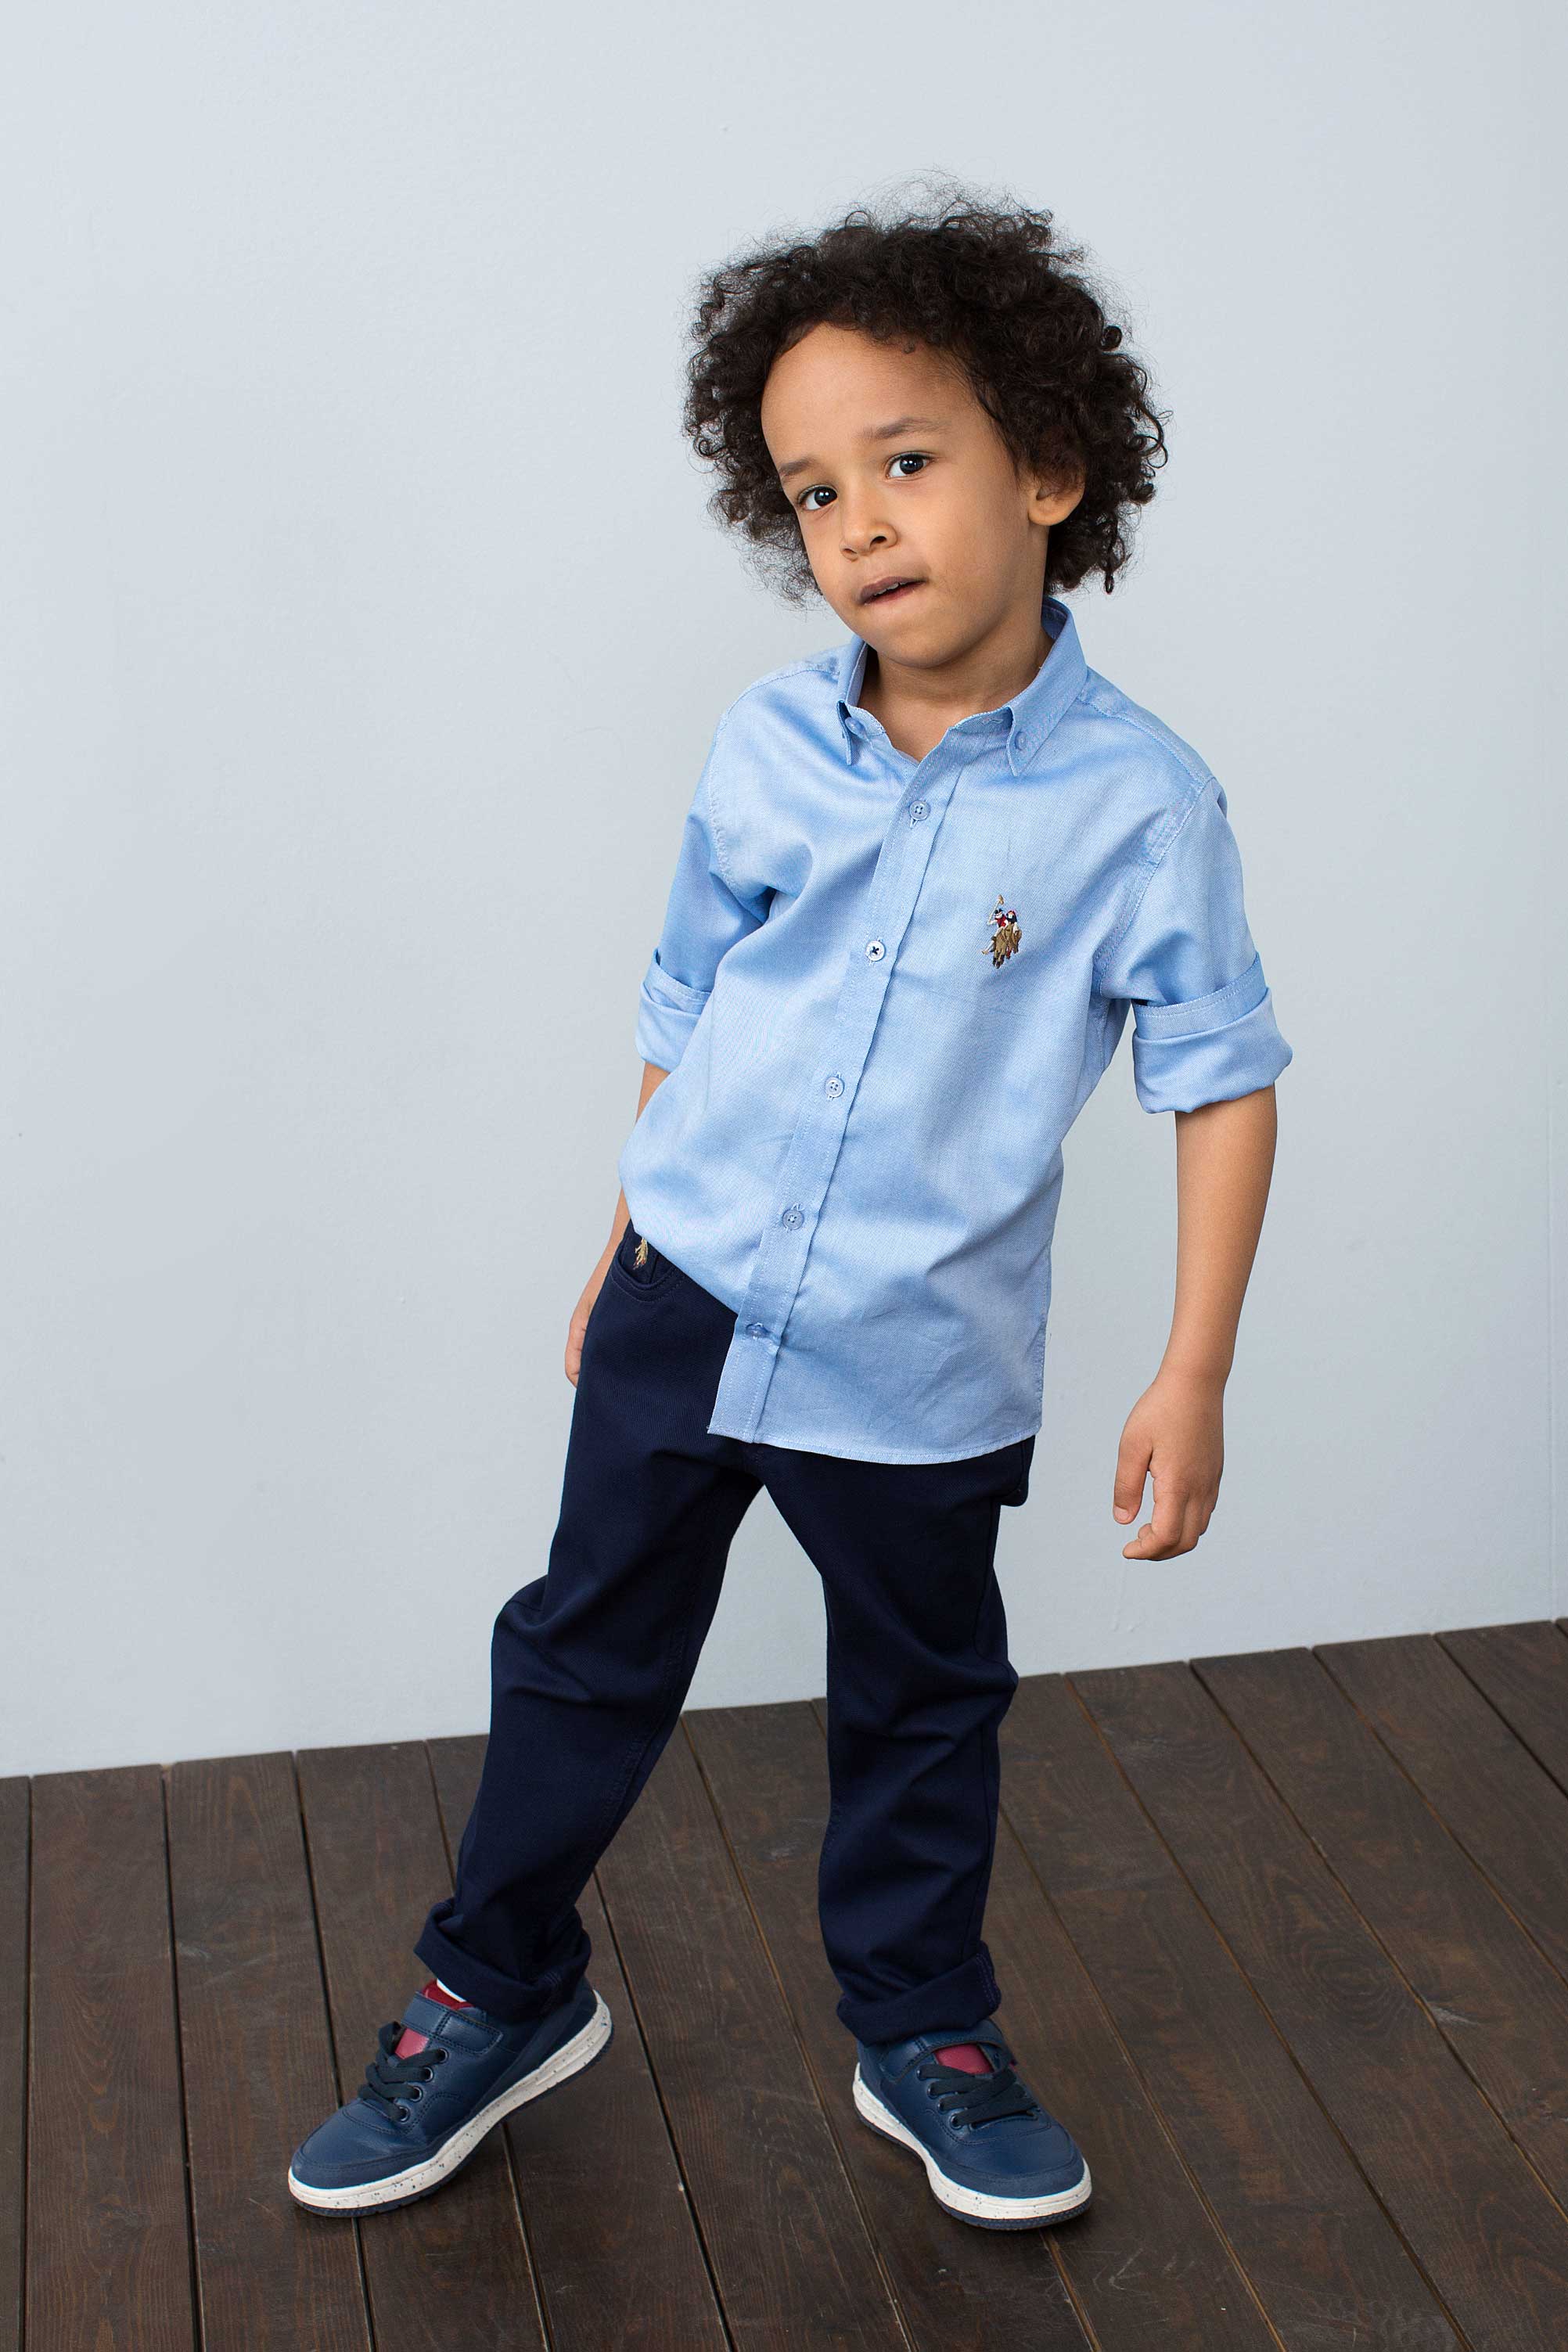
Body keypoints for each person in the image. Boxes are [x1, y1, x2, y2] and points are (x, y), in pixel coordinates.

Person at [288, 184, 1292, 2234]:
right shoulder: (767, 747)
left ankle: (923, 2029)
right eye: (814, 491)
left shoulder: (1138, 806)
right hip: (688, 1297)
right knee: (583, 1650)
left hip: (918, 1359)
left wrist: (1191, 1371)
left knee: (919, 1696)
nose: (857, 525)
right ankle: (493, 1988)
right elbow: (690, 1006)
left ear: (1047, 465)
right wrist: (622, 1234)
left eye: (903, 463)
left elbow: (1219, 1078)